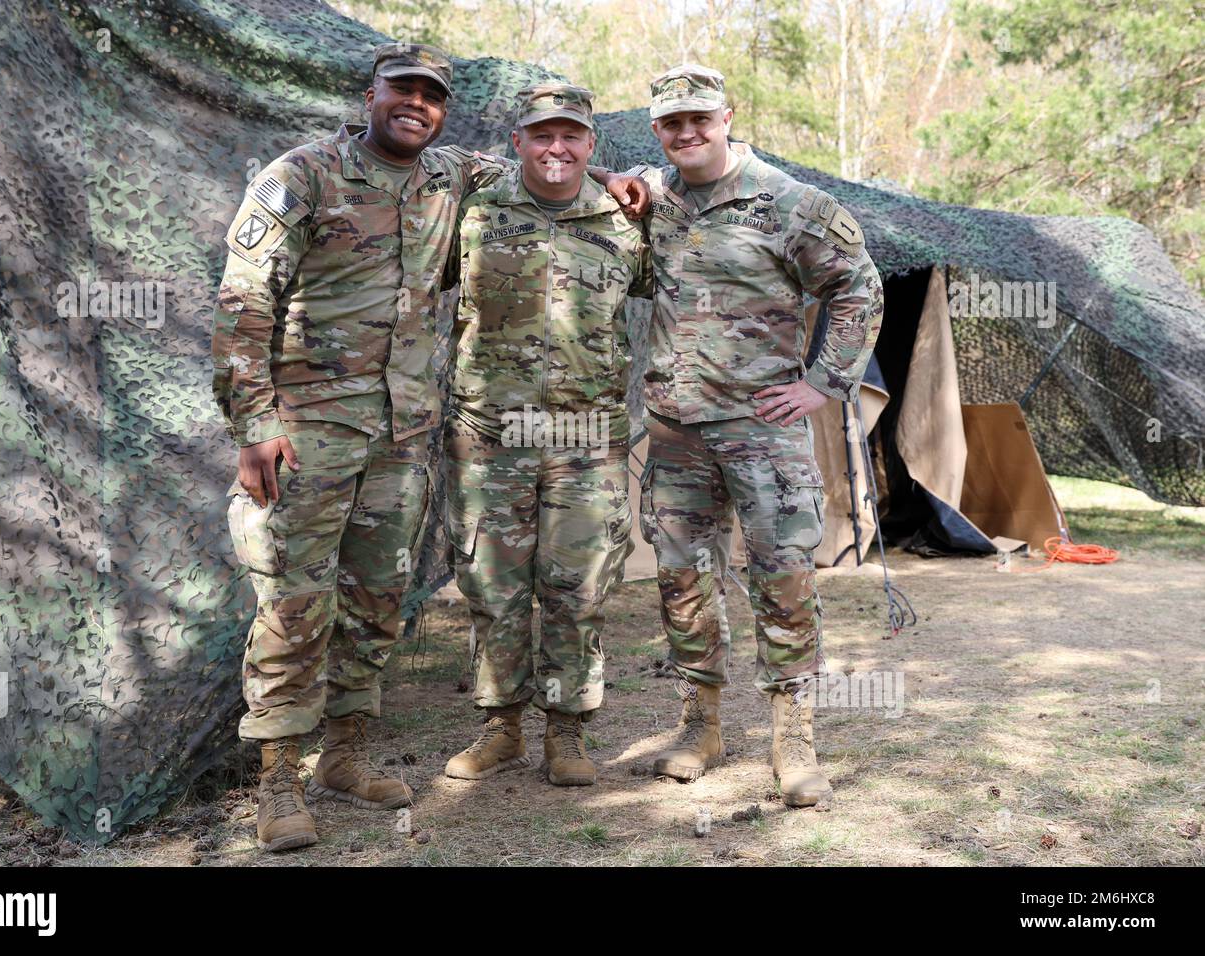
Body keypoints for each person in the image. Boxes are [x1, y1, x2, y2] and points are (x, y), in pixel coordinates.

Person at [212, 42, 647, 851]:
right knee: (294, 602)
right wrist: (255, 426)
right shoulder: (302, 175)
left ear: (444, 110)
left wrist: (629, 180)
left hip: (403, 437)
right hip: (306, 434)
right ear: (370, 94)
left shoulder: (449, 177)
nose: (416, 104)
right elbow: (243, 302)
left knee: (377, 601)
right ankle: (277, 780)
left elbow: (546, 166)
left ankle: (345, 757)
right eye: (402, 91)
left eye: (431, 96)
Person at [628, 64, 883, 806]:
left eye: (700, 119)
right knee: (681, 581)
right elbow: (591, 177)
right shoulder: (653, 196)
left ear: (728, 117)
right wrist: (620, 178)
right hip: (676, 434)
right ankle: (699, 724)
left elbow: (857, 286)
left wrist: (823, 382)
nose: (688, 132)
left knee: (783, 578)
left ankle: (793, 735)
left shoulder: (791, 204)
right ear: (658, 131)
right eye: (673, 123)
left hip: (763, 432)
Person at [443, 83, 652, 787]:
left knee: (577, 586)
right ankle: (500, 728)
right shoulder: (473, 212)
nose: (555, 148)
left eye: (571, 136)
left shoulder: (627, 223)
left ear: (591, 145)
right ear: (518, 143)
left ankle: (566, 734)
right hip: (490, 433)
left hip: (584, 437)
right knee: (492, 585)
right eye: (541, 136)